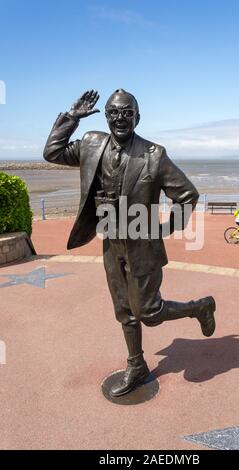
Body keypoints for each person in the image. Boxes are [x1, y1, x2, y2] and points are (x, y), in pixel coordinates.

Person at [43, 89, 216, 397]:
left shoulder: (155, 155)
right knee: (124, 310)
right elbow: (52, 152)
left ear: (138, 117)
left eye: (127, 113)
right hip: (111, 242)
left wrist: (163, 228)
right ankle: (136, 366)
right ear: (106, 116)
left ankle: (199, 308)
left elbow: (188, 195)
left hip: (142, 246)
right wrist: (71, 117)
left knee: (148, 313)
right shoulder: (91, 144)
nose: (120, 118)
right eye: (113, 113)